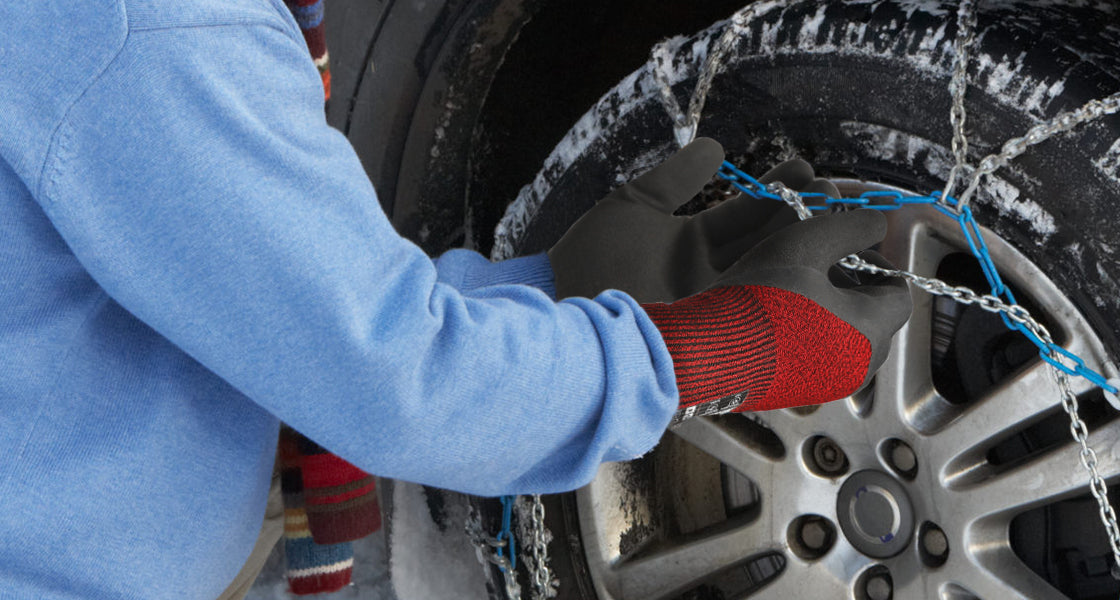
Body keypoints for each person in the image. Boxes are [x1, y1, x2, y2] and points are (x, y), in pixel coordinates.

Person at [0, 1, 911, 598]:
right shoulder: (144, 29)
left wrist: (557, 292)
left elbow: (272, 298)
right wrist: (711, 352)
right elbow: (392, 379)